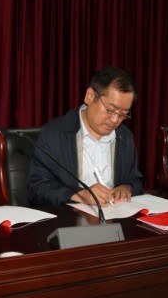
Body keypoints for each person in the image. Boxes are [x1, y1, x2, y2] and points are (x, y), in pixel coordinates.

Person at [28, 67, 144, 206]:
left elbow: (135, 180)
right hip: (70, 216)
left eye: (123, 114)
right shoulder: (54, 134)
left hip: (115, 215)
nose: (115, 120)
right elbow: (38, 188)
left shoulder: (124, 137)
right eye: (110, 110)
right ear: (90, 96)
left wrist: (126, 188)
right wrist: (80, 195)